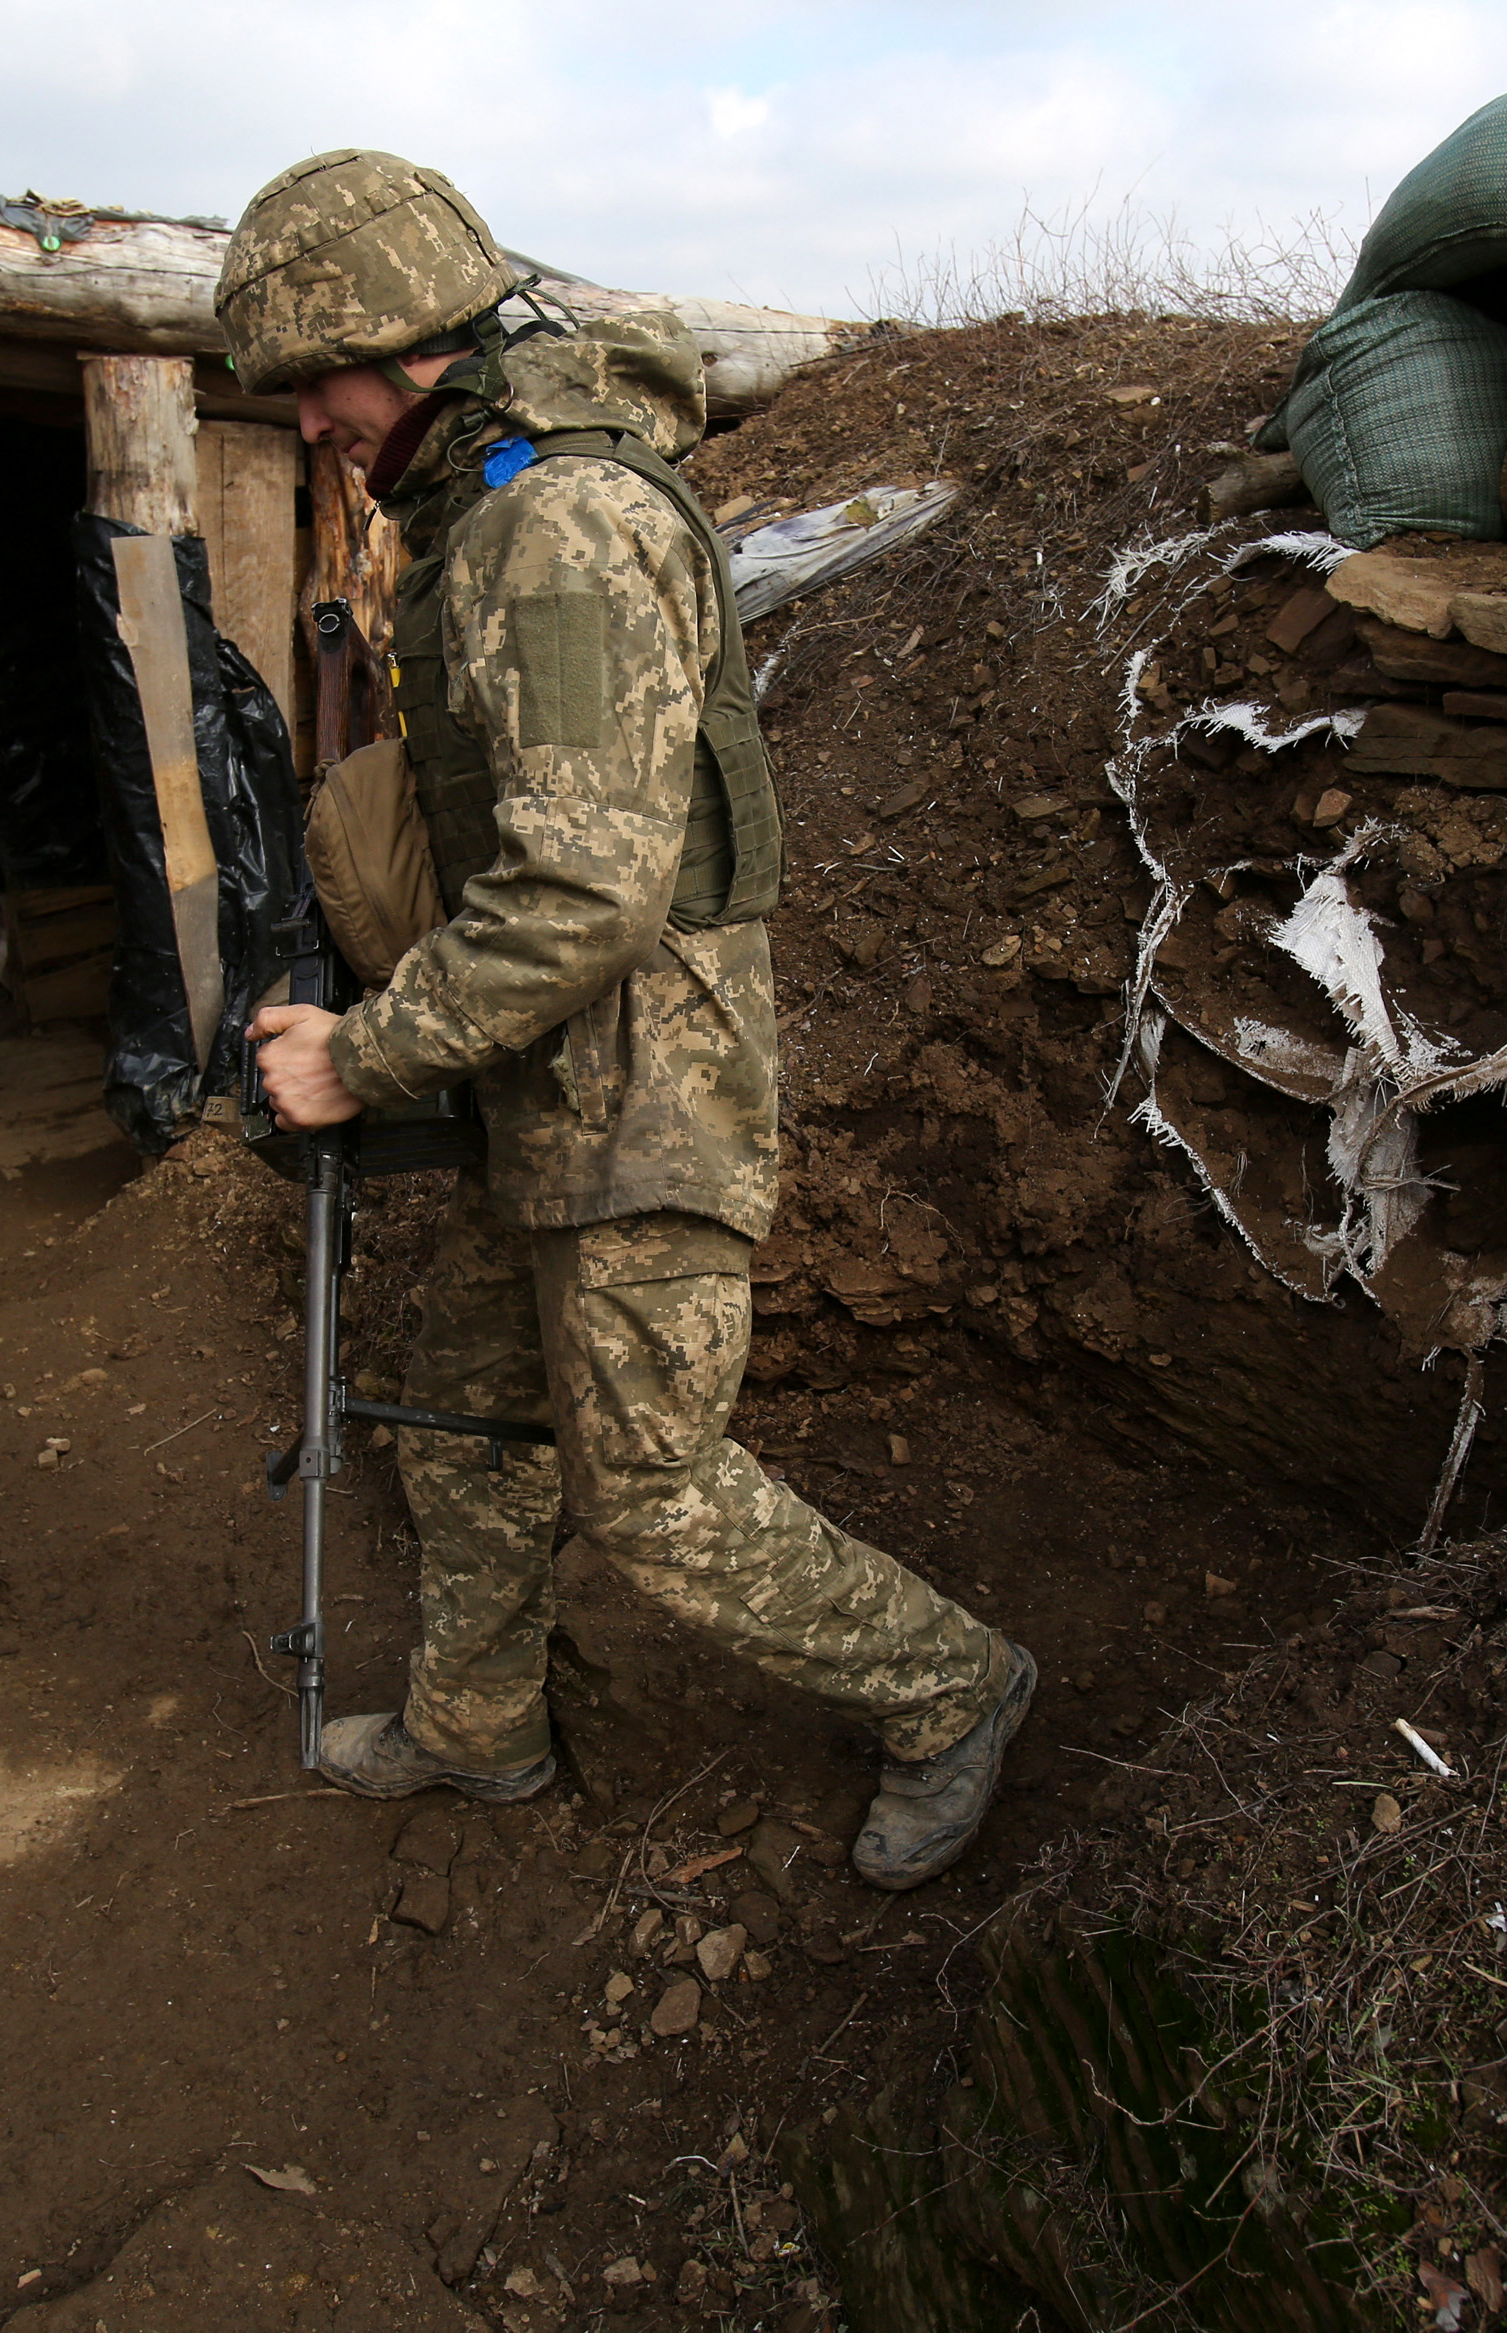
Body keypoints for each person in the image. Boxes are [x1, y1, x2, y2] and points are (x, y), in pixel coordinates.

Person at [219, 149, 1032, 1891]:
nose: (308, 425)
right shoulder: (494, 496)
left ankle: (952, 1686)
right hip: (551, 1067)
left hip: (641, 1086)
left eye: (315, 382)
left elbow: (587, 895)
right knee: (465, 1398)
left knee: (653, 1487)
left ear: (401, 339)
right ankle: (476, 1723)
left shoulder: (556, 528)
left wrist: (363, 1053)